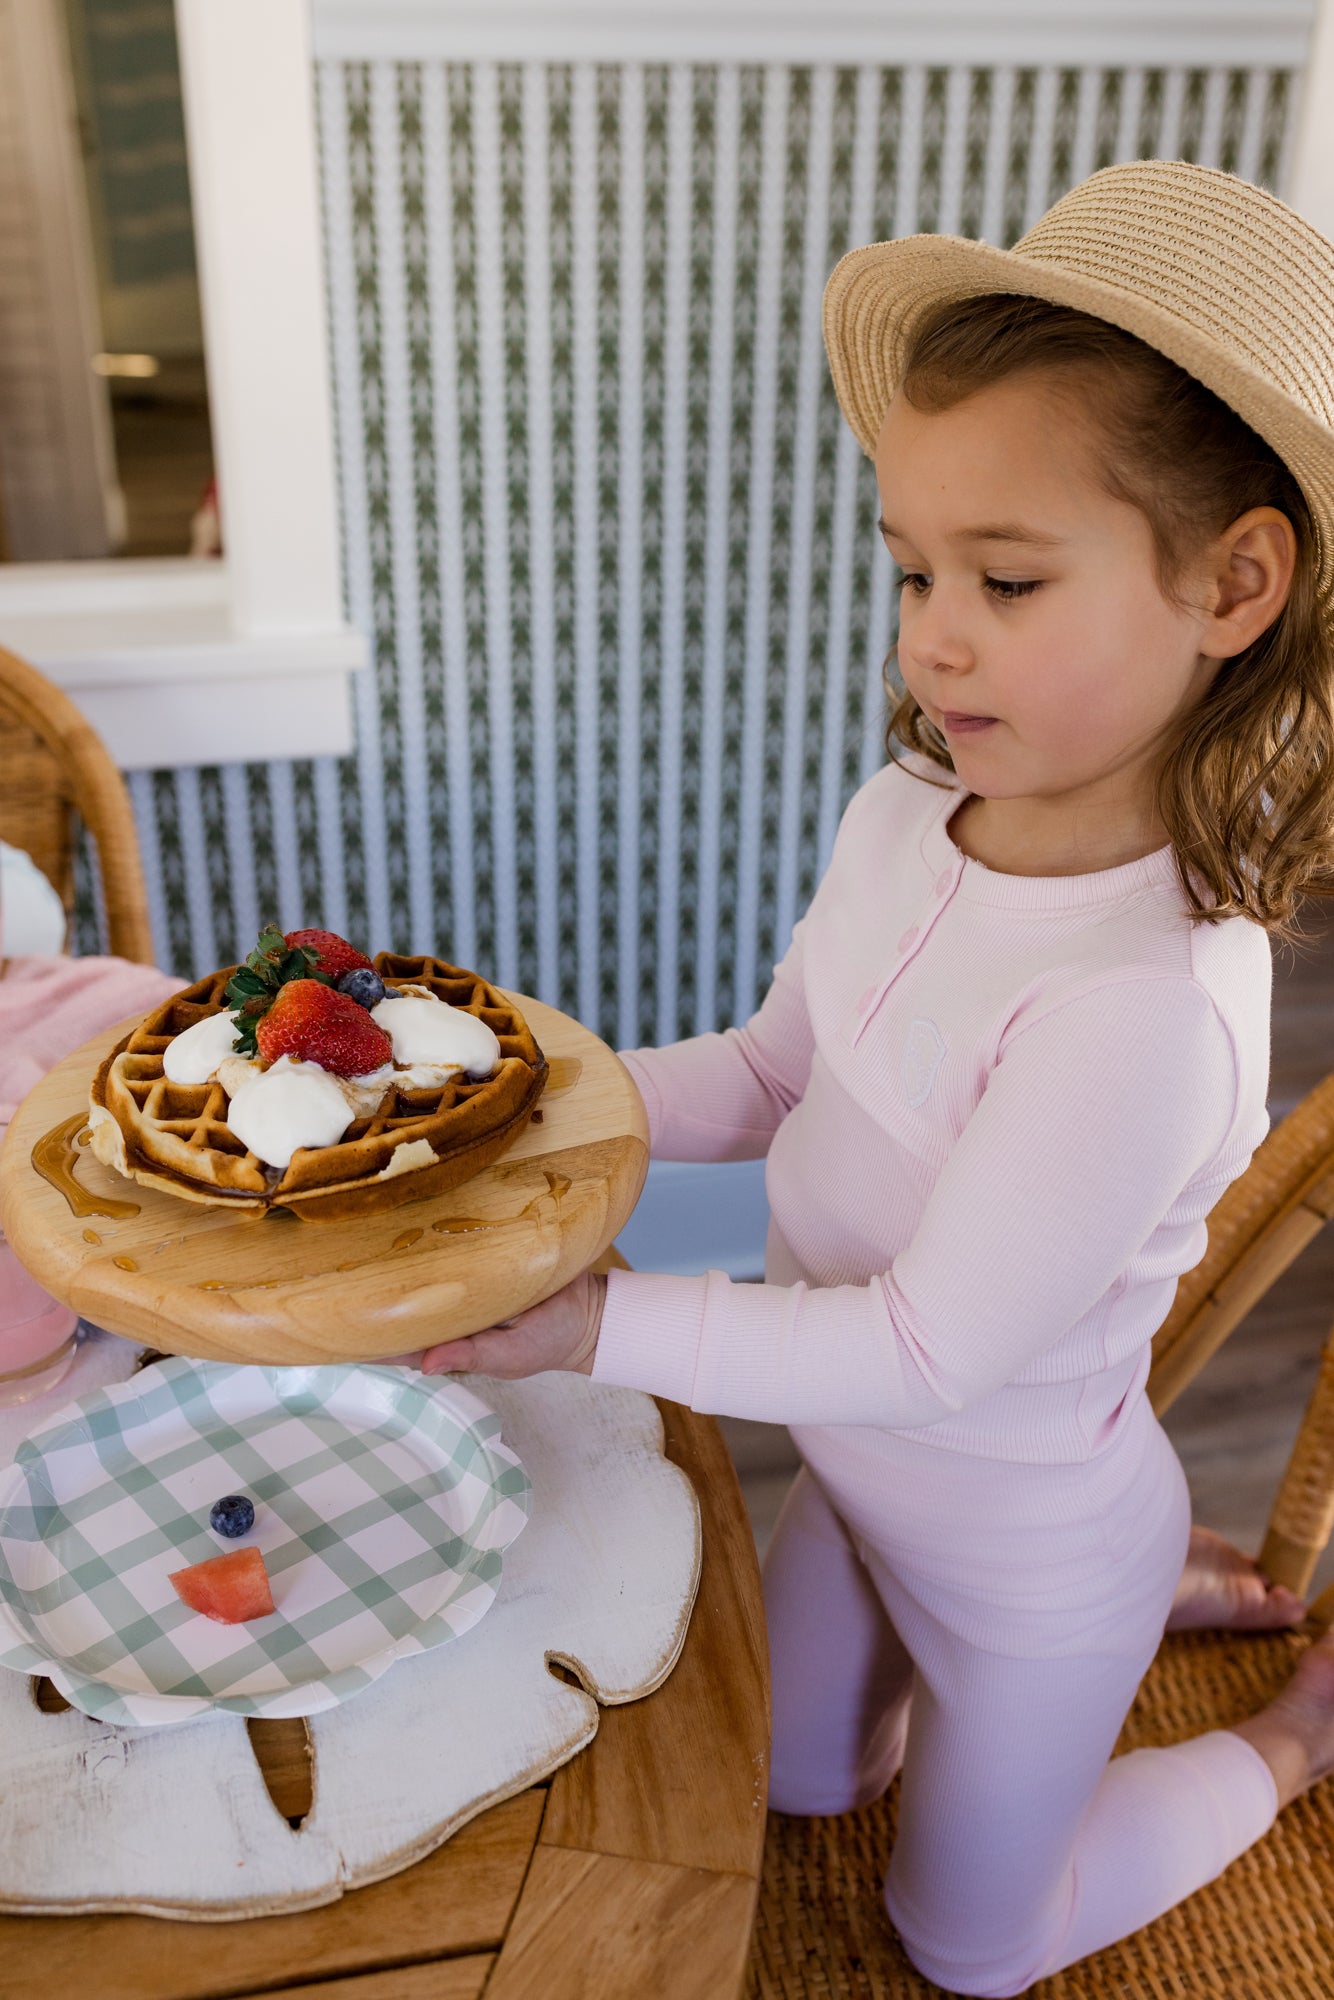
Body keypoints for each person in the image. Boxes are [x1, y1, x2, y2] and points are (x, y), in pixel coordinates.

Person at [411, 159, 1334, 1994]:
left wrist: (598, 1326)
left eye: (1004, 577)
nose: (929, 632)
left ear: (1231, 584)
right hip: (855, 1482)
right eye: (913, 566)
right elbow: (769, 1072)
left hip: (1019, 1564)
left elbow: (921, 1350)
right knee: (799, 1777)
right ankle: (1166, 1593)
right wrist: (517, 1091)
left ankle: (1292, 1733)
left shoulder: (1145, 1002)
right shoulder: (914, 807)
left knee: (964, 1946)